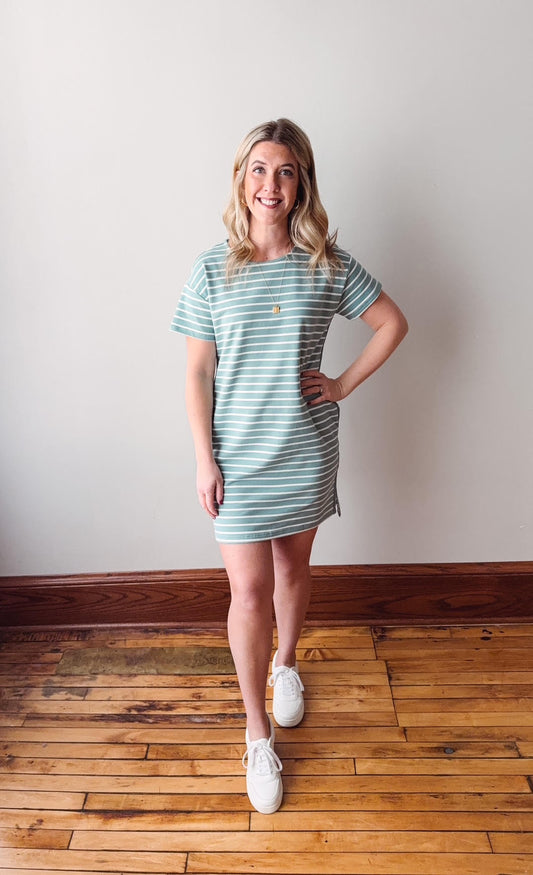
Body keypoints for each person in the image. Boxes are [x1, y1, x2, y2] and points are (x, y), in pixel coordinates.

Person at [170, 118, 408, 814]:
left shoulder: (325, 264)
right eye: (259, 169)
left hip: (303, 451)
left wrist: (340, 383)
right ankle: (255, 731)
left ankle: (286, 663)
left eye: (285, 172)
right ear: (241, 179)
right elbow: (195, 374)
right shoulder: (210, 268)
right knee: (246, 593)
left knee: (293, 572)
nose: (270, 185)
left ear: (301, 183)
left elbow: (392, 322)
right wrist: (202, 459)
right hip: (236, 460)